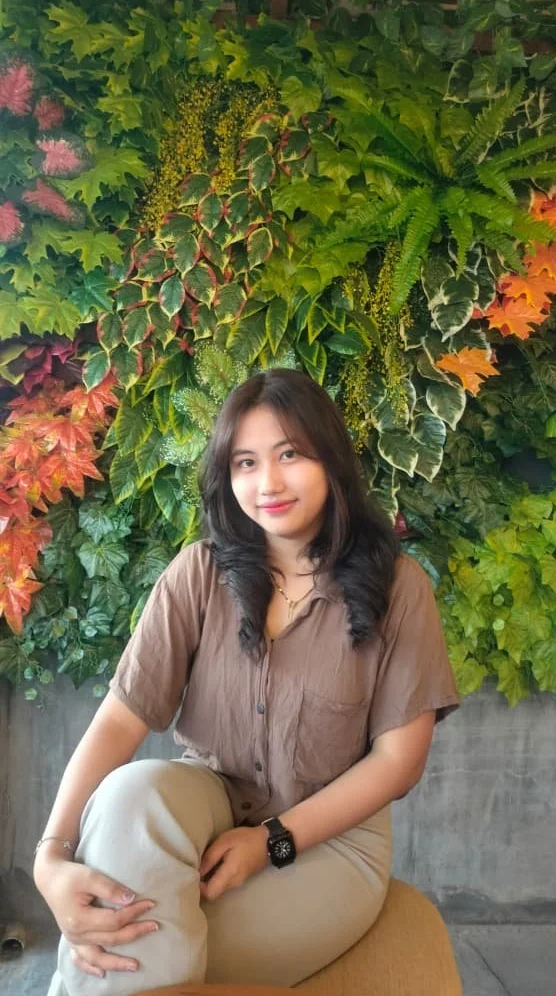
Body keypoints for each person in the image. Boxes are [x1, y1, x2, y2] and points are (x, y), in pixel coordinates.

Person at [35, 367, 460, 996]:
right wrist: (51, 856)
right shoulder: (199, 574)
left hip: (330, 844)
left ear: (330, 459)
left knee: (131, 949)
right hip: (209, 799)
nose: (268, 484)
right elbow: (122, 718)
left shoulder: (398, 588)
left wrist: (270, 842)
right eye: (245, 463)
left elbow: (398, 762)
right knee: (133, 794)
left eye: (290, 455)